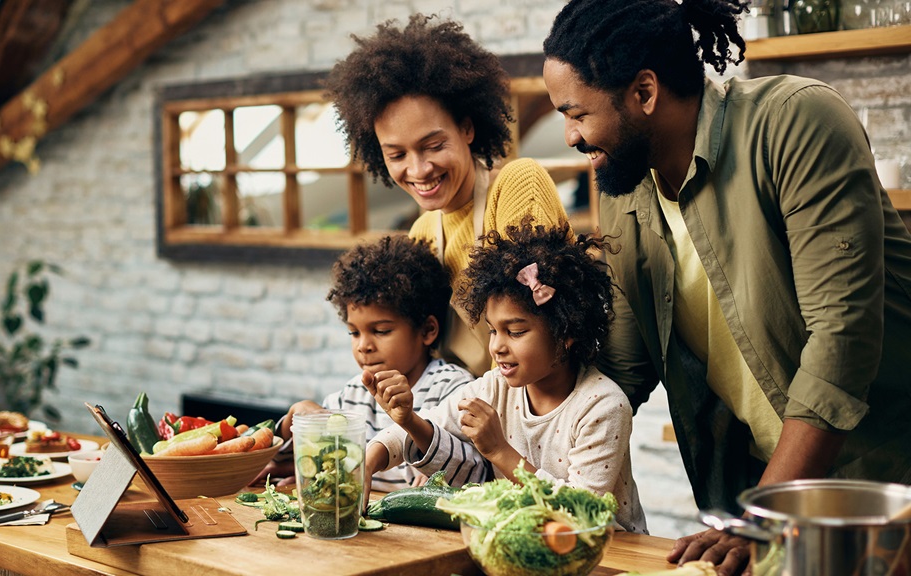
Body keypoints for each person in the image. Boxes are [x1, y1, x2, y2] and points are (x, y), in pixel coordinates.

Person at [542, 0, 911, 571]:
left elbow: (842, 338)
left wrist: (760, 518)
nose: (569, 136)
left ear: (644, 92)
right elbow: (621, 370)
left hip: (884, 487)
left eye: (576, 114)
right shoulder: (626, 191)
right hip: (765, 493)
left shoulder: (795, 121)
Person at [364, 219, 648, 533]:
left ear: (565, 332)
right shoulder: (495, 388)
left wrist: (500, 451)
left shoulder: (602, 405)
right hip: (528, 545)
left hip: (610, 553)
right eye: (492, 330)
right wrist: (369, 460)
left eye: (514, 332)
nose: (497, 346)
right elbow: (428, 422)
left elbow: (581, 511)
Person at [324, 14, 569, 377]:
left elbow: (536, 325)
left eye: (433, 145)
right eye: (397, 155)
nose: (419, 169)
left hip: (542, 413)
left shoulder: (517, 183)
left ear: (467, 128)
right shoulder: (423, 232)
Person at [253, 234, 473, 492]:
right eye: (354, 332)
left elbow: (472, 467)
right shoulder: (353, 395)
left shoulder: (453, 388)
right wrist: (295, 421)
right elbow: (284, 461)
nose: (363, 345)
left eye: (380, 331)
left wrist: (435, 466)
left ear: (427, 330)